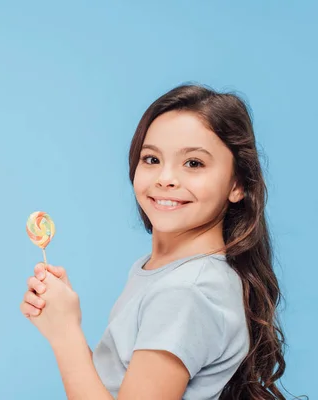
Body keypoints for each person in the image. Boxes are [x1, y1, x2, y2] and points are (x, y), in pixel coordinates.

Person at [19, 84, 290, 399]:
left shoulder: (185, 291)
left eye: (194, 163)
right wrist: (64, 327)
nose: (166, 178)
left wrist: (65, 335)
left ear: (237, 184)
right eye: (151, 159)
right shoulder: (169, 273)